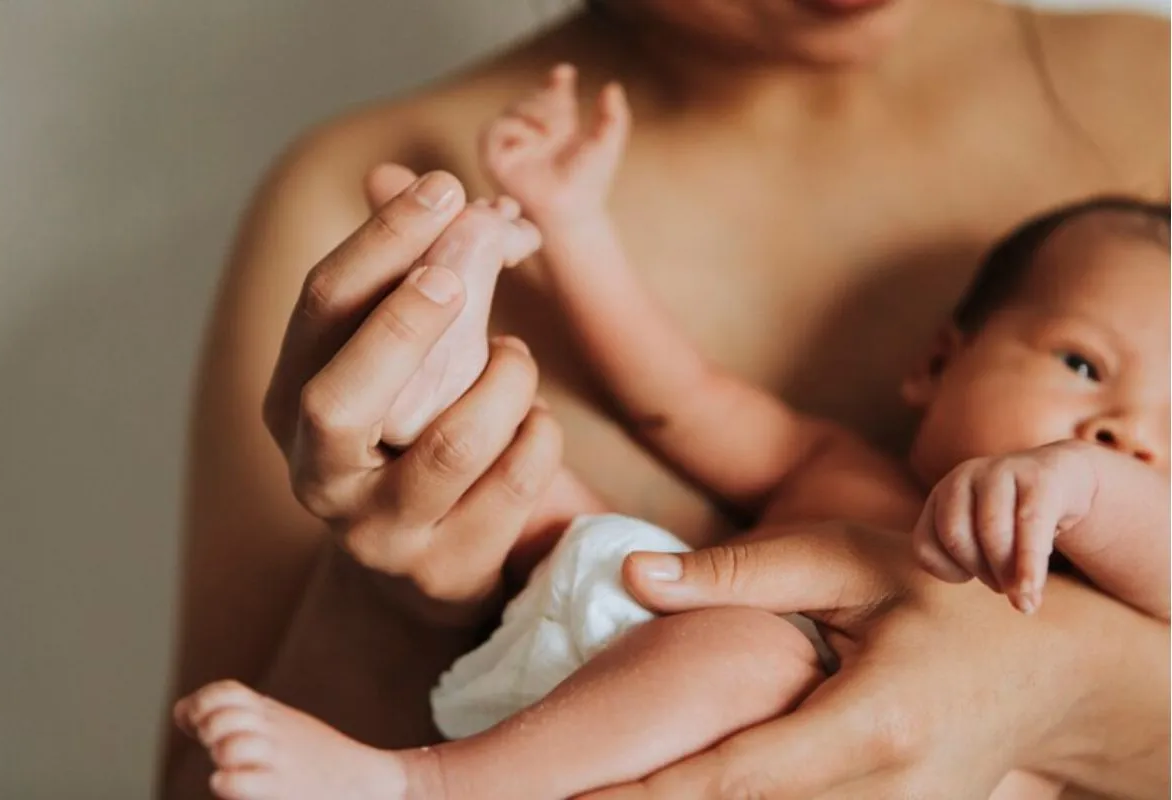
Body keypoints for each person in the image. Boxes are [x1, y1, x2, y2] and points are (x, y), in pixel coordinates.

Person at [161, 1, 1170, 798]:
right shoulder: (839, 471)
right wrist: (572, 228)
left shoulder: (1145, 89)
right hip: (601, 636)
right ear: (938, 363)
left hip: (712, 658)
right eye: (1081, 365)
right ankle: (451, 335)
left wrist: (1078, 657)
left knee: (729, 637)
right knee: (538, 496)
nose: (1127, 429)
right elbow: (678, 399)